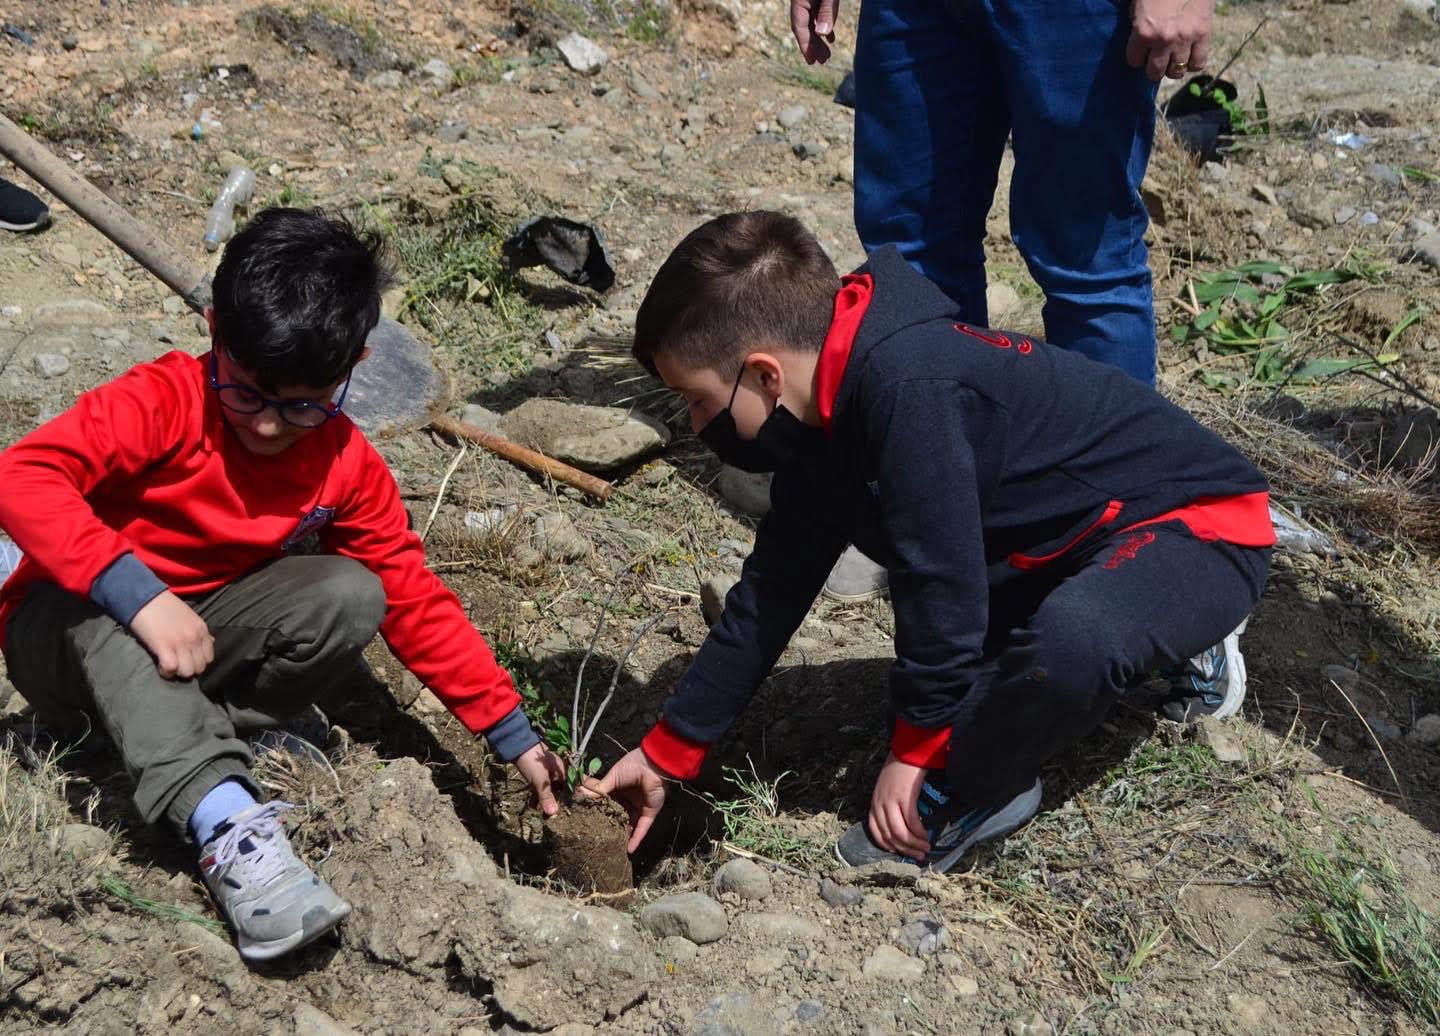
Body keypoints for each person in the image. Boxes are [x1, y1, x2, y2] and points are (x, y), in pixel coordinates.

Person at [588, 211, 1271, 869]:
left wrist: (920, 752)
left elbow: (938, 575)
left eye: (699, 398)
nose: (695, 419)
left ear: (766, 375)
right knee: (984, 670)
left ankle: (980, 790)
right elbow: (772, 590)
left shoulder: (909, 386)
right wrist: (669, 749)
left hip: (1194, 524)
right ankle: (1133, 620)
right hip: (1055, 547)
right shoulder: (821, 423)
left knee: (1068, 645)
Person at [0, 208, 564, 960]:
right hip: (66, 635)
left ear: (355, 365)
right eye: (249, 393)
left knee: (350, 592)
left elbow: (410, 595)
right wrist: (139, 594)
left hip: (199, 635)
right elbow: (22, 475)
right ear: (214, 333)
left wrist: (510, 733)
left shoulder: (342, 462)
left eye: (302, 403)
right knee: (112, 627)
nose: (268, 426)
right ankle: (226, 826)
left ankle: (172, 733)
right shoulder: (163, 402)